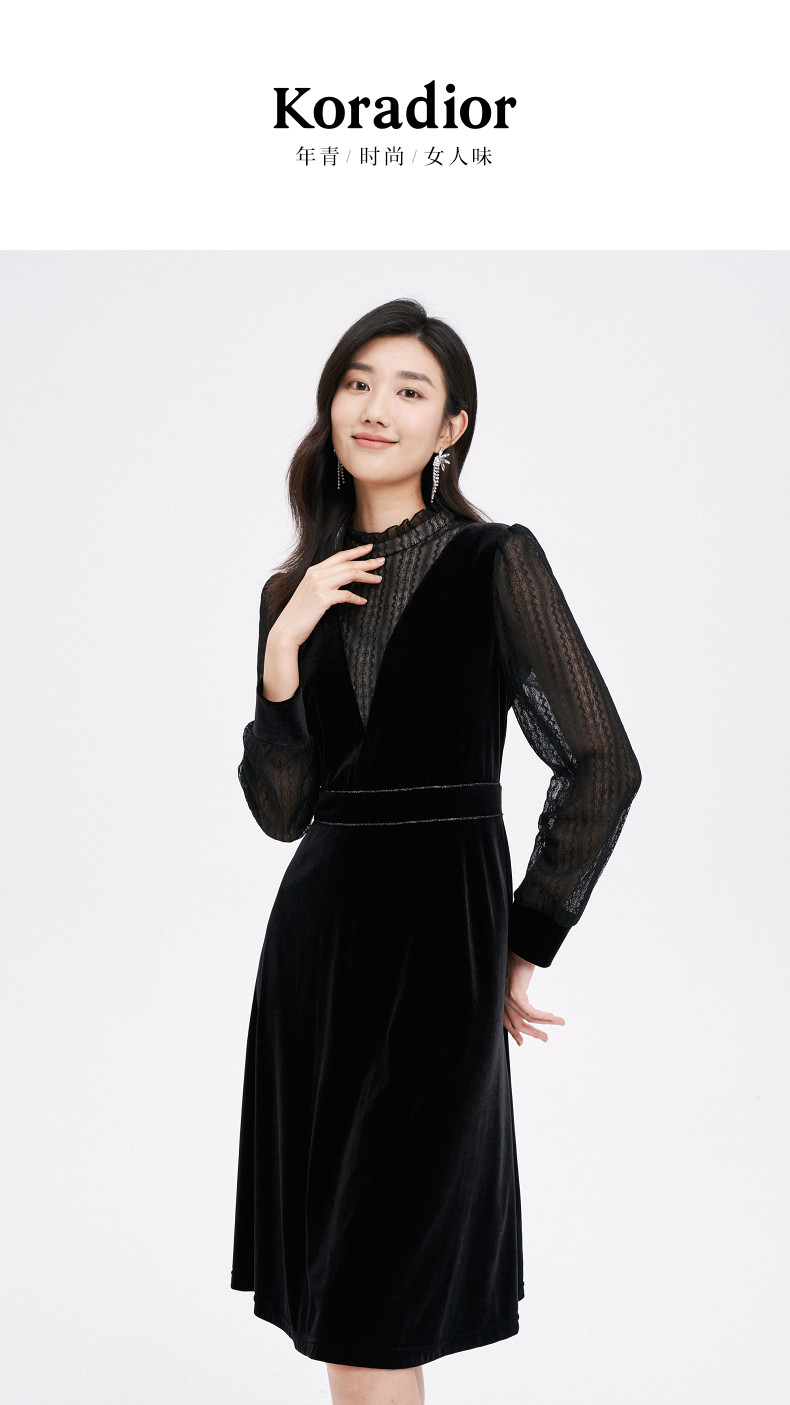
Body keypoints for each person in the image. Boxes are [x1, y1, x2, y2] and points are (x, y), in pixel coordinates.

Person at [230, 298, 642, 1405]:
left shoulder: (494, 560)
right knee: (348, 1295)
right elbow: (284, 810)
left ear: (451, 426)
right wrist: (282, 652)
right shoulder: (290, 593)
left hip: (441, 950)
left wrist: (521, 941)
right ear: (331, 404)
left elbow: (601, 762)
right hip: (318, 956)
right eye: (357, 382)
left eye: (409, 390)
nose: (377, 406)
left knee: (379, 1289)